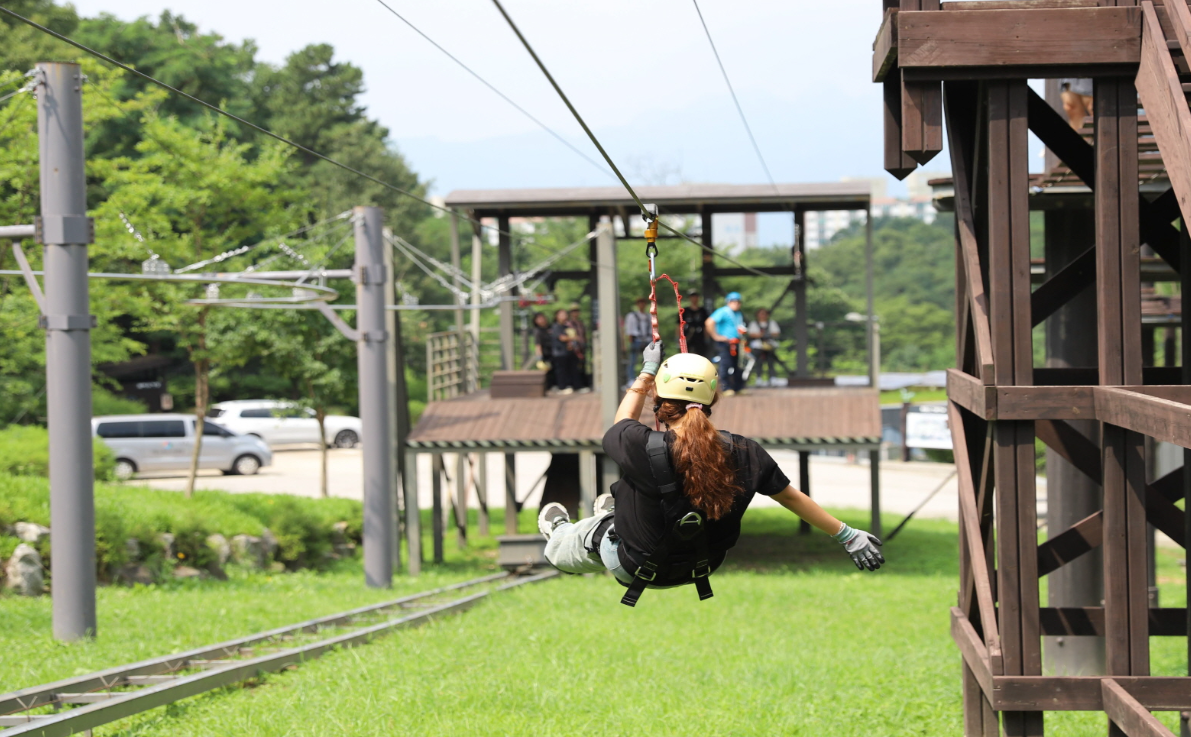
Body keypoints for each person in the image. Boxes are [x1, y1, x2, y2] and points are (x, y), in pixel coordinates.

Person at [538, 342, 885, 606]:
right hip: (700, 565)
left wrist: (646, 372)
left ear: (658, 400)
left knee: (575, 543)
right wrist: (846, 535)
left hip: (634, 562)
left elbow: (622, 424)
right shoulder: (747, 451)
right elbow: (791, 497)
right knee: (629, 502)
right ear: (712, 399)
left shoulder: (640, 444)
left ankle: (563, 530)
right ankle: (611, 515)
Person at [705, 291, 747, 395]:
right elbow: (709, 322)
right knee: (725, 364)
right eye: (733, 301)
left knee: (737, 365)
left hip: (736, 343)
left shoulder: (738, 313)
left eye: (738, 302)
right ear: (728, 302)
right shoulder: (723, 311)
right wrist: (716, 336)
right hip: (725, 343)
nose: (736, 304)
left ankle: (737, 387)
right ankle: (725, 387)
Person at [747, 308, 781, 386]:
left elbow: (776, 333)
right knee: (758, 362)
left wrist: (767, 335)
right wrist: (761, 335)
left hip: (769, 345)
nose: (762, 315)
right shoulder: (754, 323)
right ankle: (758, 378)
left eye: (764, 314)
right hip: (758, 345)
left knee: (770, 362)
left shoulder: (771, 323)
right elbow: (751, 334)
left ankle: (773, 378)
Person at [623, 297, 652, 387]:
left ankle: (646, 379)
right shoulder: (632, 316)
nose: (641, 305)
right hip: (636, 340)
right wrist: (630, 340)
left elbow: (652, 329)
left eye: (643, 303)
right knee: (632, 361)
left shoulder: (649, 316)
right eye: (640, 303)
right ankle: (631, 379)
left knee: (647, 362)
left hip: (647, 340)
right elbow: (629, 329)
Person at [549, 309, 579, 394]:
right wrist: (573, 338)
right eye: (562, 314)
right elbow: (562, 338)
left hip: (567, 352)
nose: (564, 316)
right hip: (559, 353)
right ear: (556, 316)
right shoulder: (556, 326)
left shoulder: (566, 327)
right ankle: (562, 387)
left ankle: (569, 386)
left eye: (565, 314)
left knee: (569, 370)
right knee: (561, 371)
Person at [681, 290, 710, 358]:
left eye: (695, 296)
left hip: (700, 338)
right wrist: (678, 337)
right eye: (692, 296)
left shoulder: (703, 311)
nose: (694, 298)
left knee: (701, 356)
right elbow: (679, 325)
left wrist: (707, 338)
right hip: (688, 337)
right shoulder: (684, 311)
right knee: (686, 355)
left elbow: (706, 325)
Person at [566, 303, 588, 390]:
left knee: (581, 367)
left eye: (577, 311)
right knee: (574, 368)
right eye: (573, 311)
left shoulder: (581, 323)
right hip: (573, 349)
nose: (575, 313)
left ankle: (581, 384)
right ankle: (575, 385)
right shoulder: (568, 323)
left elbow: (584, 335)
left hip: (581, 347)